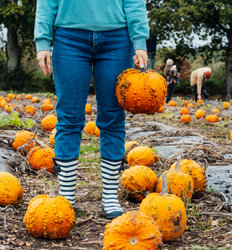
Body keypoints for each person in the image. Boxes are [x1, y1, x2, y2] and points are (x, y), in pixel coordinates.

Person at [34, 0, 149, 219]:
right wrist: (42, 41)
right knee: (68, 118)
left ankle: (110, 197)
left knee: (114, 117)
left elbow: (134, 1)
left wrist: (139, 41)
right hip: (69, 38)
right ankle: (66, 197)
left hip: (117, 39)